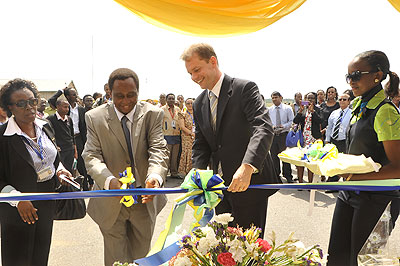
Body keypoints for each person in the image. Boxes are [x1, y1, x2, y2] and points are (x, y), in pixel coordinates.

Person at [181, 43, 281, 236]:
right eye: (189, 73)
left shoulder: (244, 89)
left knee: (250, 251)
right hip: (220, 190)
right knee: (224, 249)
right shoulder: (200, 102)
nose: (194, 77)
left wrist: (247, 166)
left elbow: (263, 127)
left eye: (196, 70)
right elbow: (201, 143)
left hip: (249, 186)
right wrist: (198, 172)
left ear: (213, 62)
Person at [82, 68, 169, 266]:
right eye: (118, 96)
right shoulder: (94, 118)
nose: (125, 101)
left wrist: (155, 177)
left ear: (138, 92)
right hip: (111, 200)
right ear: (109, 93)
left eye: (131, 95)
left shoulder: (153, 114)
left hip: (144, 199)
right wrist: (109, 181)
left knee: (142, 258)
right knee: (115, 260)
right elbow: (91, 156)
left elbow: (158, 149)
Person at [327, 50, 400, 266]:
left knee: (363, 261)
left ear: (377, 75)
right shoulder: (358, 106)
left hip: (378, 199)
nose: (351, 81)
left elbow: (398, 168)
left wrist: (357, 176)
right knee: (337, 257)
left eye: (356, 75)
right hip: (349, 193)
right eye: (348, 76)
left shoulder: (385, 112)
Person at [0, 78, 72, 266]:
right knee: (17, 260)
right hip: (17, 210)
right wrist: (18, 200)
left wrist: (61, 171)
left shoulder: (45, 126)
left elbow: (54, 159)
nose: (30, 107)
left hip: (46, 202)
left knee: (40, 257)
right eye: (21, 104)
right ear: (10, 107)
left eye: (32, 101)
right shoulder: (2, 137)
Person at [49, 87, 92, 190]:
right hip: (61, 145)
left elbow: (80, 129)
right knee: (63, 167)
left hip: (77, 140)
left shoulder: (80, 110)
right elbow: (51, 101)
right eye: (72, 94)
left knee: (81, 164)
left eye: (75, 94)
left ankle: (84, 187)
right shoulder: (53, 118)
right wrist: (60, 91)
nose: (75, 96)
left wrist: (77, 147)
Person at [293, 92, 322, 183]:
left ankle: (310, 183)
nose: (310, 100)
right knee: (300, 161)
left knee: (311, 161)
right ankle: (301, 182)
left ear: (315, 99)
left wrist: (313, 111)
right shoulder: (303, 109)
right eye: (308, 98)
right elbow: (295, 121)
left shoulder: (318, 109)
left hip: (313, 139)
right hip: (303, 138)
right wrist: (300, 111)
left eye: (312, 98)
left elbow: (321, 120)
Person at [268, 91, 294, 183]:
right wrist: (272, 127)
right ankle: (276, 176)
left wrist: (284, 126)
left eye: (276, 97)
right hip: (273, 136)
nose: (274, 99)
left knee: (285, 157)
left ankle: (288, 176)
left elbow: (291, 121)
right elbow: (267, 122)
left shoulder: (287, 109)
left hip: (284, 135)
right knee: (274, 157)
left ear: (281, 97)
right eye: (273, 98)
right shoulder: (269, 110)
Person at [47, 96, 77, 175]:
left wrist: (75, 150)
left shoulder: (69, 119)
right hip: (60, 150)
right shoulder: (51, 119)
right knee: (60, 171)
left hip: (69, 149)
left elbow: (72, 135)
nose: (67, 109)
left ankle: (69, 187)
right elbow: (50, 135)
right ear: (57, 107)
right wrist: (55, 146)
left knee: (70, 170)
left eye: (68, 107)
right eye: (65, 107)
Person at [161, 93, 181, 178]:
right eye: (169, 99)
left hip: (176, 135)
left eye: (173, 98)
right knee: (166, 156)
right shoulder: (162, 109)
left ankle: (174, 173)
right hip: (167, 135)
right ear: (166, 100)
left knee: (175, 156)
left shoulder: (178, 109)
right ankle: (164, 174)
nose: (171, 100)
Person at [178, 98, 195, 176]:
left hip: (196, 136)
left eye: (191, 103)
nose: (190, 105)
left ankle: (193, 170)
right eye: (188, 103)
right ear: (185, 104)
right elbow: (182, 126)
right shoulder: (182, 114)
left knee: (195, 153)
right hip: (187, 136)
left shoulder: (196, 113)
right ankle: (185, 171)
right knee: (187, 153)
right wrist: (191, 133)